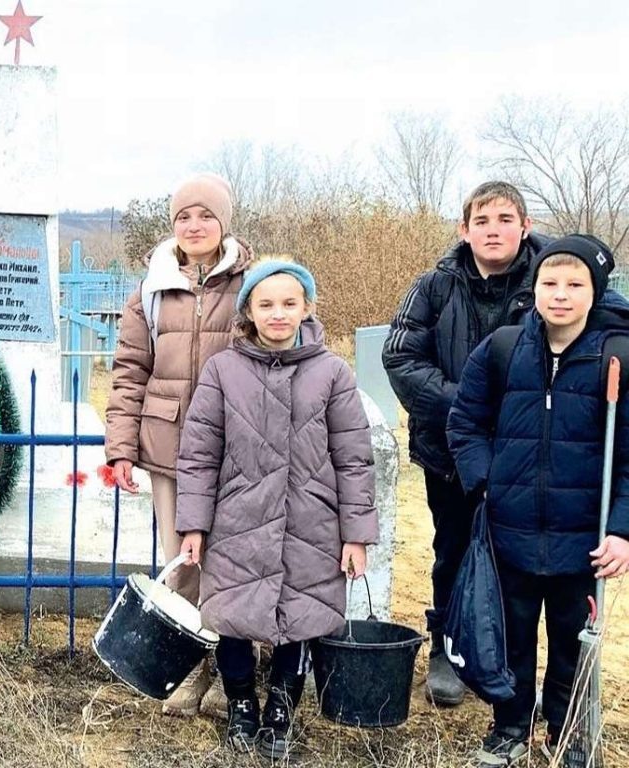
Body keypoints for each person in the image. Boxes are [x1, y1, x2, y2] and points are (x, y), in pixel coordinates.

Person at [176, 258, 379, 758]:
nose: (278, 314)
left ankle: (281, 709)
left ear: (307, 307)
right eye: (266, 304)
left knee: (300, 616)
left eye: (290, 303)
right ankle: (242, 704)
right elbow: (200, 453)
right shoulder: (223, 370)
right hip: (238, 519)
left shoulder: (332, 372)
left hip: (311, 521)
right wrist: (195, 525)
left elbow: (353, 458)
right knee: (233, 615)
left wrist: (356, 534)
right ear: (249, 311)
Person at [448, 234, 629, 766]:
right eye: (551, 282)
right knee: (512, 637)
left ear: (595, 292)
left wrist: (621, 530)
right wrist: (487, 482)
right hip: (510, 533)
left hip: (584, 539)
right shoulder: (504, 349)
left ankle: (566, 731)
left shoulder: (617, 356)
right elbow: (465, 422)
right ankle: (510, 726)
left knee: (573, 641)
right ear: (536, 287)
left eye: (575, 284)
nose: (561, 294)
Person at [382, 181, 549, 705]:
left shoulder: (552, 280)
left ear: (525, 226)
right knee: (452, 549)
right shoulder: (435, 286)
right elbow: (400, 357)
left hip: (528, 452)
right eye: (482, 221)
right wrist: (466, 406)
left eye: (505, 219)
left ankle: (510, 659)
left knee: (520, 558)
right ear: (464, 230)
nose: (493, 230)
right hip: (448, 451)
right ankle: (448, 649)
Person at [105, 172, 252, 718]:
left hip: (233, 450)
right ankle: (191, 669)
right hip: (169, 447)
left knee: (232, 562)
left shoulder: (250, 283)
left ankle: (233, 675)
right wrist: (122, 447)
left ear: (224, 223)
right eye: (184, 217)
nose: (194, 225)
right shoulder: (151, 288)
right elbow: (129, 371)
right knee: (182, 561)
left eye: (206, 215)